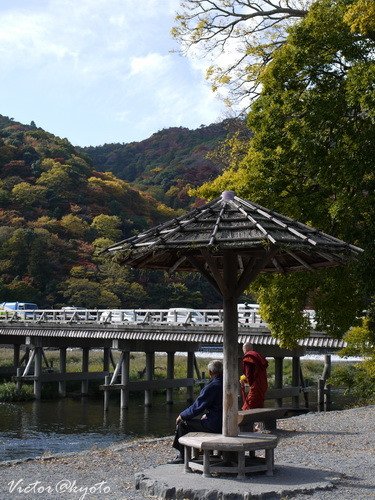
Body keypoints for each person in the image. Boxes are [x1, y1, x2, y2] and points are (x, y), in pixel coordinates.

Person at [168, 359, 223, 464]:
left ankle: (182, 456)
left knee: (183, 424)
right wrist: (208, 415)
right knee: (199, 420)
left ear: (210, 372)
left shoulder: (212, 386)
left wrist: (182, 415)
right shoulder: (227, 383)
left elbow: (197, 407)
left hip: (215, 425)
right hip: (226, 423)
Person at [240, 341, 268, 410]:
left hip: (255, 386)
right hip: (263, 384)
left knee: (248, 406)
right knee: (258, 405)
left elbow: (249, 374)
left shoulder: (248, 357)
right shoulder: (258, 356)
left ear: (244, 349)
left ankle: (247, 420)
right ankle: (258, 419)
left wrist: (246, 381)